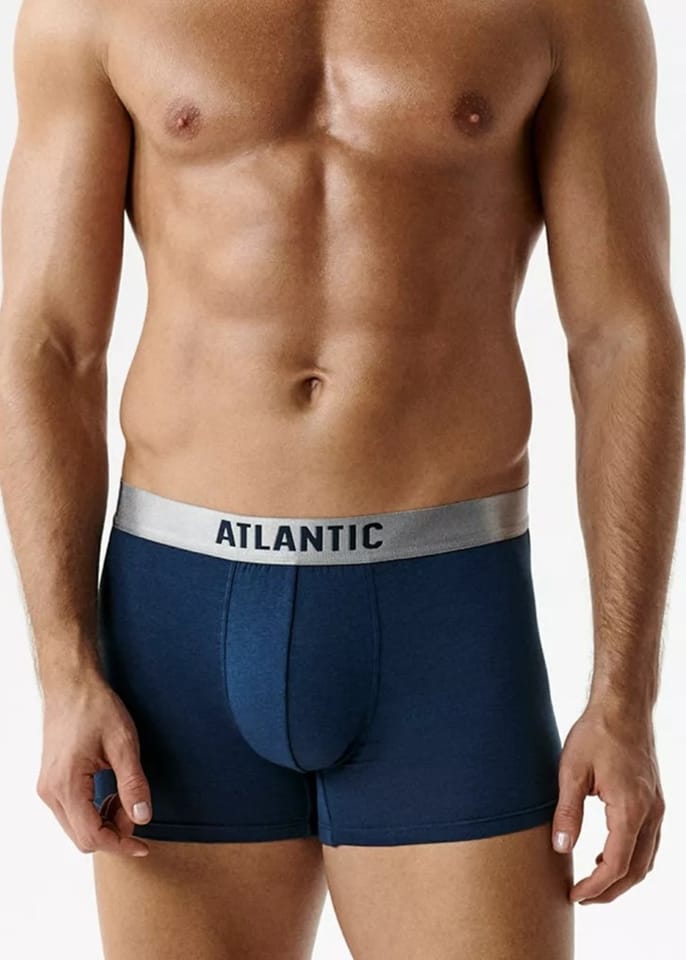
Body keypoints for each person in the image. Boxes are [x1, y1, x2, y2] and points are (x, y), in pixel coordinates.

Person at [0, 0, 682, 956]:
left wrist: (626, 697)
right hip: (179, 629)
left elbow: (622, 341)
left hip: (447, 626)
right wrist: (65, 669)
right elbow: (46, 343)